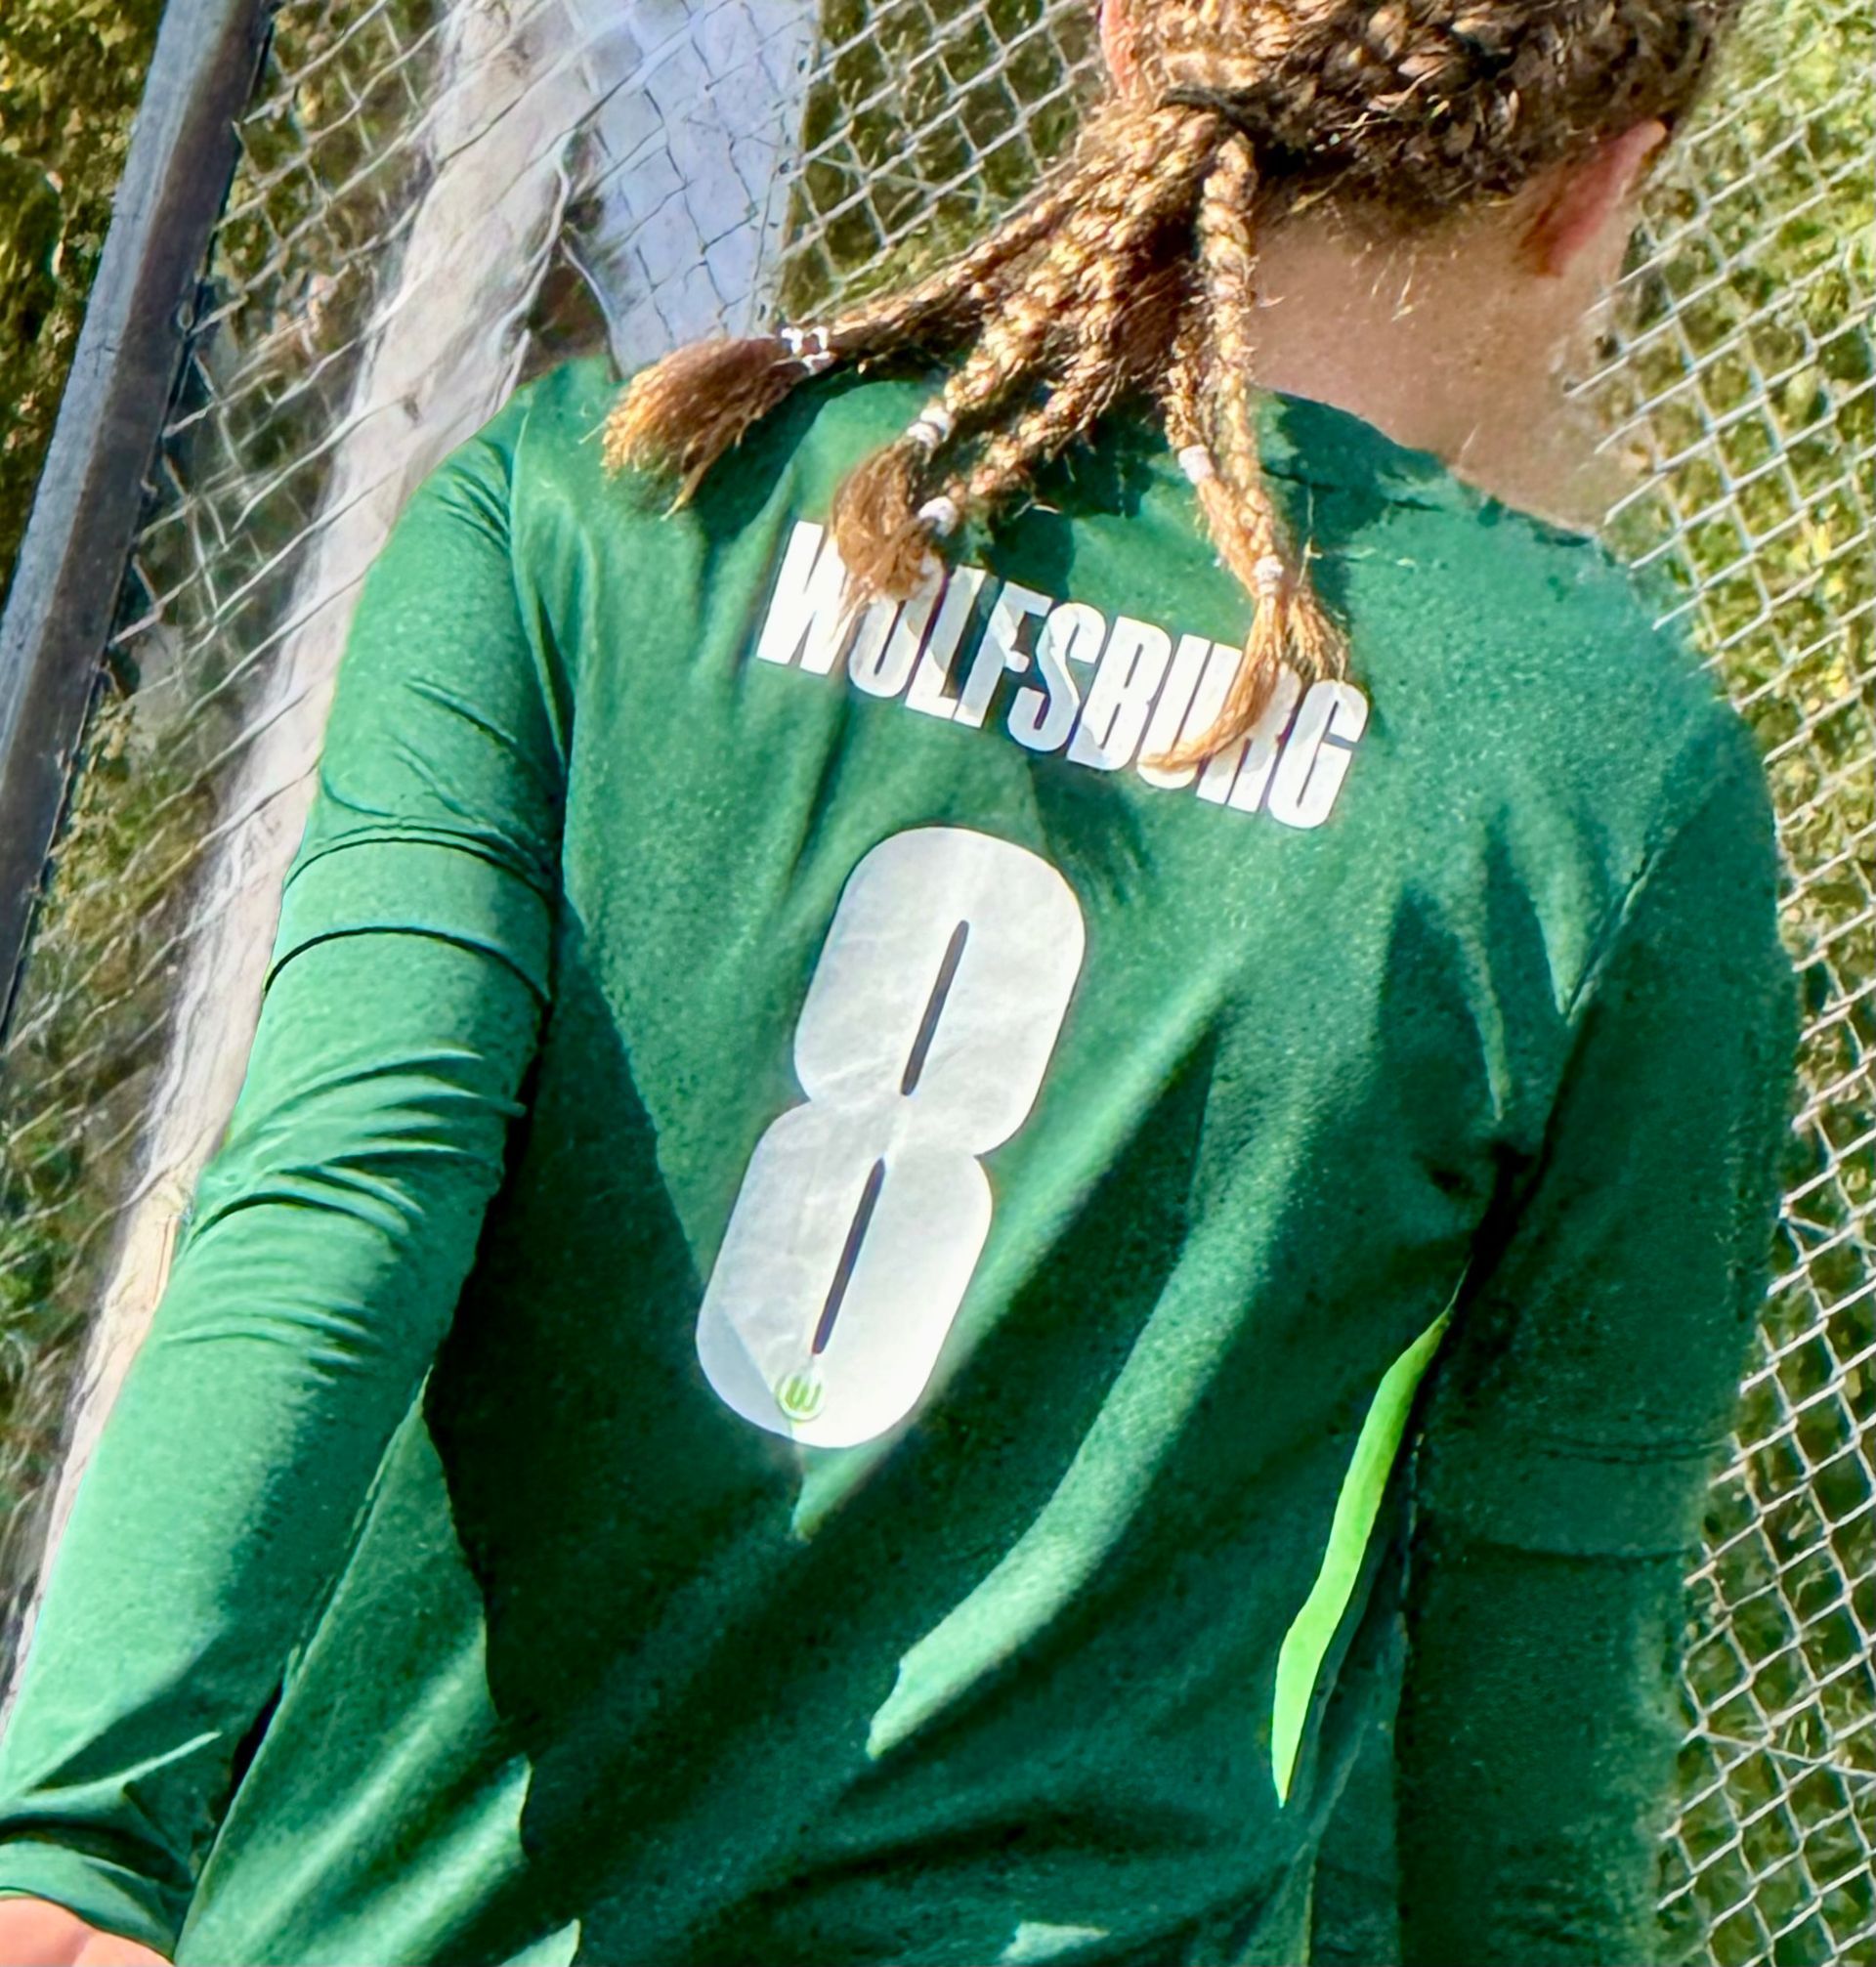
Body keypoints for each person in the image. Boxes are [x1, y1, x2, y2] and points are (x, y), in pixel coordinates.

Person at [0, 0, 1798, 1961]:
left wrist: (79, 1835)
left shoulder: (612, 501)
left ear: (1126, 39)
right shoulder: (1612, 778)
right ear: (1597, 190)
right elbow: (1522, 1688)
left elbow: (341, 1198)